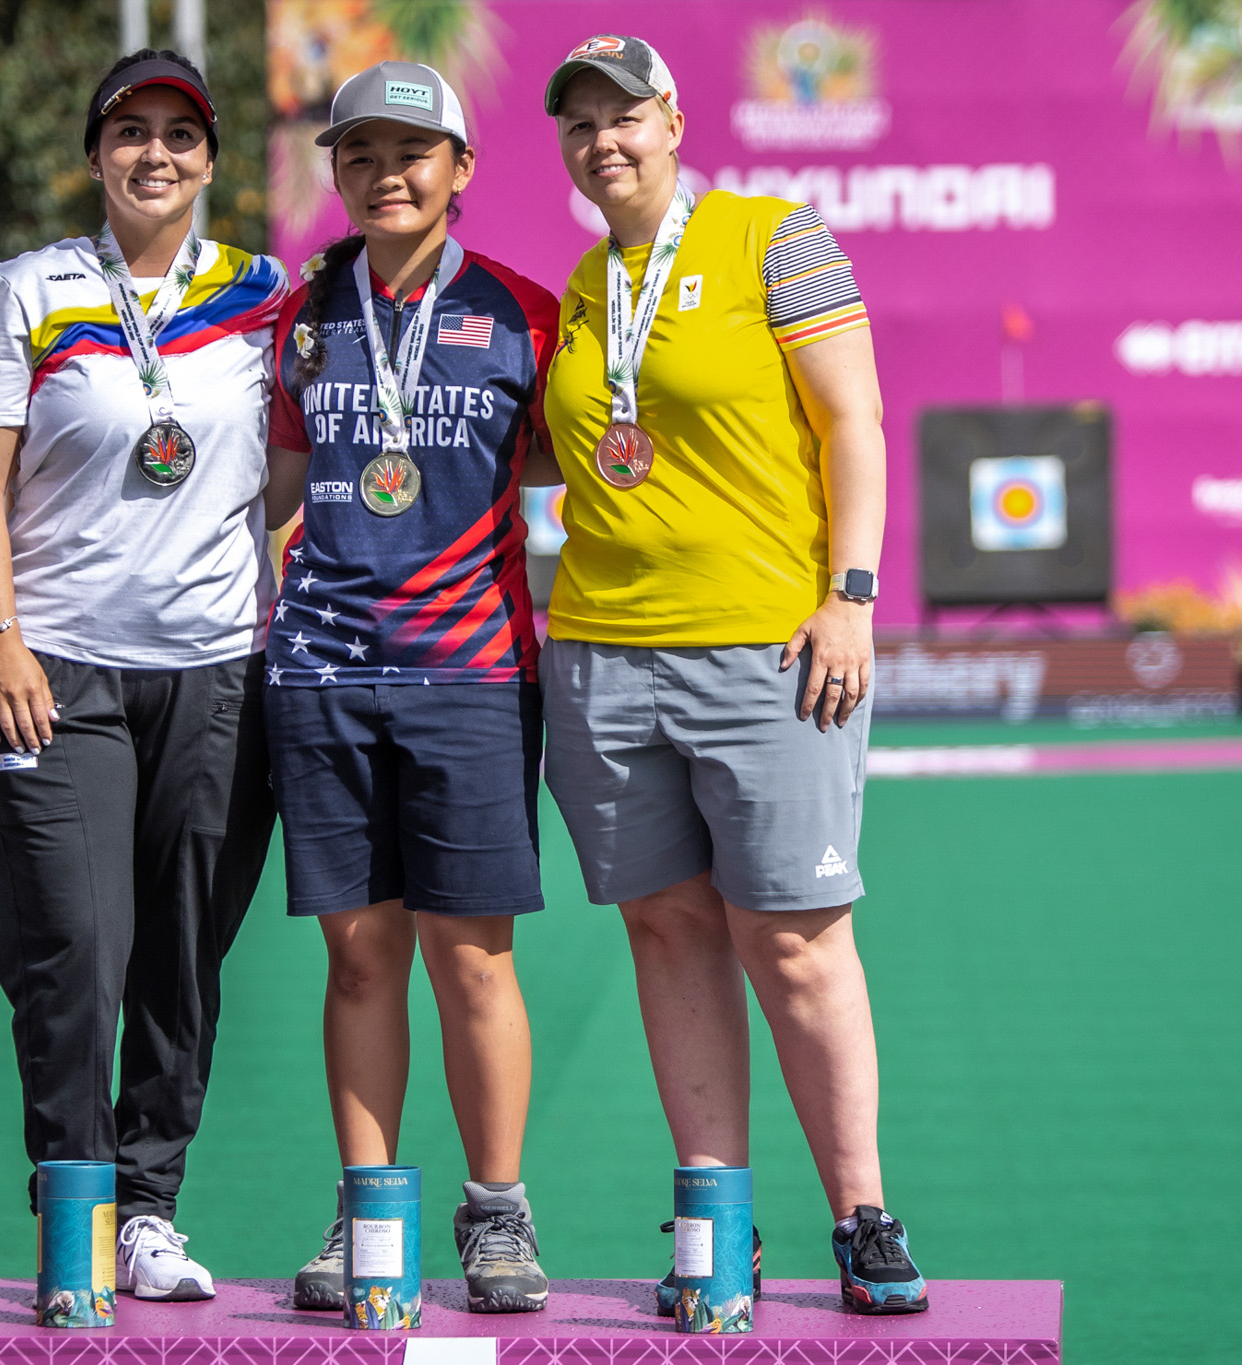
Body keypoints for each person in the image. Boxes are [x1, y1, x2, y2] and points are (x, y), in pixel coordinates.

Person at [537, 35, 929, 1315]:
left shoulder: (776, 237)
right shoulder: (584, 288)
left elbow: (851, 422)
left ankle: (861, 1215)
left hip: (767, 650)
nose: (605, 140)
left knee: (801, 944)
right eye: (580, 123)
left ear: (673, 117)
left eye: (625, 115)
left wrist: (851, 595)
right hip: (599, 650)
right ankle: (716, 1218)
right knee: (666, 931)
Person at [0, 49, 287, 1304]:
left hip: (218, 674)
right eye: (129, 133)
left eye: (179, 137)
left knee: (184, 958)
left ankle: (147, 1210)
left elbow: (286, 465)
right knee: (75, 952)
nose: (155, 156)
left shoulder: (261, 294)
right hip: (55, 673)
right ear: (94, 155)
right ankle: (74, 1210)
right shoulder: (26, 292)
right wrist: (0, 637)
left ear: (209, 160)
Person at [261, 60, 559, 1315]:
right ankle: (364, 1208)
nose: (387, 175)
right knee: (358, 959)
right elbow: (271, 488)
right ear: (333, 172)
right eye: (361, 154)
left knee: (473, 961)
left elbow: (567, 464)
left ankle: (496, 1214)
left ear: (461, 169)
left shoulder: (526, 314)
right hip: (321, 670)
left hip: (471, 671)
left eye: (412, 151)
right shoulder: (299, 313)